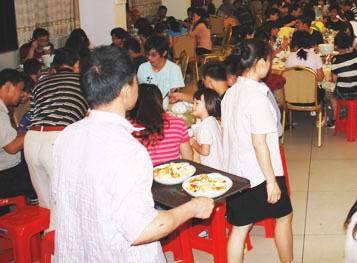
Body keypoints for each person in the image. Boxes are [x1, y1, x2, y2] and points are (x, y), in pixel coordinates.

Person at [51, 46, 214, 260]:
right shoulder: (126, 148)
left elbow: (60, 196)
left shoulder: (67, 136)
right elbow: (142, 229)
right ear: (125, 90)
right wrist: (193, 207)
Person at [221, 39, 293, 263]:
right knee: (284, 217)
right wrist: (271, 181)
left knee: (240, 228)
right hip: (259, 173)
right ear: (260, 63)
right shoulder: (257, 98)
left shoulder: (231, 92)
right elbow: (259, 143)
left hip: (235, 173)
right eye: (269, 61)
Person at [24, 48, 88, 214]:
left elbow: (32, 114)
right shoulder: (83, 82)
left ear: (55, 66)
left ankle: (47, 230)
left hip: (31, 140)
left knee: (45, 204)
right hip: (57, 139)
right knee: (64, 203)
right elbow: (89, 117)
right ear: (76, 64)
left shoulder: (39, 84)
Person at [130, 84, 192, 165]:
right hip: (172, 172)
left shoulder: (129, 128)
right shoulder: (178, 124)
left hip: (143, 173)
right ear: (160, 101)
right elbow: (188, 159)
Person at [0, 69, 35, 199]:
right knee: (41, 181)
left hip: (7, 171)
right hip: (6, 175)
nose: (21, 95)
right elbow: (12, 147)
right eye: (20, 89)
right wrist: (37, 130)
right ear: (8, 86)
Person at [330, 32, 357, 126]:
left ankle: (335, 118)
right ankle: (351, 112)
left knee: (330, 91)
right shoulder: (356, 53)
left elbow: (334, 80)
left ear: (336, 46)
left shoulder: (336, 59)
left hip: (345, 92)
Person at [189, 88, 223, 169]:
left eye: (197, 103)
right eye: (193, 103)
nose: (193, 106)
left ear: (209, 106)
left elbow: (205, 151)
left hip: (211, 168)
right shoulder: (213, 121)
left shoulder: (205, 127)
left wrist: (194, 143)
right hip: (219, 165)